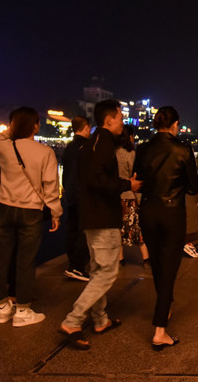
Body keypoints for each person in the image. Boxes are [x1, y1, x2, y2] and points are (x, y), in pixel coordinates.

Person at [60, 100, 141, 350]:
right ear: (109, 119)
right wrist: (128, 184)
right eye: (120, 118)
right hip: (102, 217)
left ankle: (100, 319)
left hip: (91, 216)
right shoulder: (103, 143)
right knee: (107, 272)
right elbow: (99, 181)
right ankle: (73, 321)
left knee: (98, 271)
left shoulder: (92, 143)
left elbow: (91, 180)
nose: (123, 122)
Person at [0, 107, 62, 326]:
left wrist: (9, 131)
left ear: (13, 125)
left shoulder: (4, 148)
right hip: (31, 211)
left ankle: (2, 308)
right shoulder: (45, 152)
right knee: (25, 261)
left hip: (4, 208)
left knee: (0, 258)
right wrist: (55, 212)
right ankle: (22, 310)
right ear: (36, 126)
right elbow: (51, 186)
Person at [134, 106, 198, 350]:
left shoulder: (143, 148)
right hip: (172, 212)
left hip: (148, 210)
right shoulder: (183, 149)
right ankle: (160, 330)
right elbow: (193, 187)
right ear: (175, 124)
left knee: (157, 264)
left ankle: (166, 303)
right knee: (170, 266)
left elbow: (138, 180)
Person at [62, 115, 91, 282]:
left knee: (72, 229)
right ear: (86, 128)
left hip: (70, 194)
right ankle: (77, 266)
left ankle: (72, 262)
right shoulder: (87, 147)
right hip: (83, 194)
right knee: (84, 230)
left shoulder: (69, 147)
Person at [116, 125, 149, 267]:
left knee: (118, 229)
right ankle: (146, 258)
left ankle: (120, 259)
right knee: (137, 229)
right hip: (129, 196)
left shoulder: (113, 153)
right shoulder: (131, 154)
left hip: (115, 196)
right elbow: (135, 178)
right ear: (130, 137)